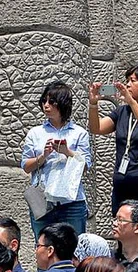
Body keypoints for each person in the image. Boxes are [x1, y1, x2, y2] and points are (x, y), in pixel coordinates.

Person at [89, 64, 138, 252]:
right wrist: (93, 103)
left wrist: (131, 102)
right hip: (123, 185)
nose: (128, 84)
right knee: (123, 235)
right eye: (128, 80)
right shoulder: (121, 112)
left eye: (133, 80)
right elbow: (97, 128)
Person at [21, 81, 92, 238]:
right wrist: (43, 156)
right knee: (43, 248)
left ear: (63, 104)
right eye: (44, 101)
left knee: (76, 248)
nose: (46, 105)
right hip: (43, 200)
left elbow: (86, 166)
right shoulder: (35, 133)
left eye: (51, 101)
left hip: (72, 200)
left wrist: (67, 152)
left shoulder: (79, 133)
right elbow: (26, 166)